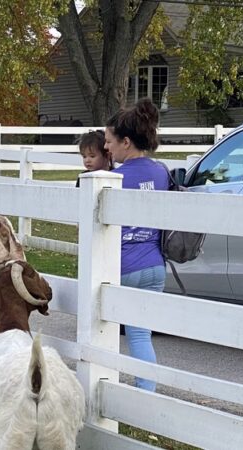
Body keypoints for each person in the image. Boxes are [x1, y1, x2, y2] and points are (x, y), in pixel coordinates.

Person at [104, 98, 169, 392]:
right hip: (155, 264)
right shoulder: (161, 172)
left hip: (124, 266)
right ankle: (146, 393)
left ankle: (104, 387)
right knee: (140, 335)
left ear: (126, 142)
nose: (107, 148)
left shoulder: (113, 179)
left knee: (101, 331)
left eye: (109, 142)